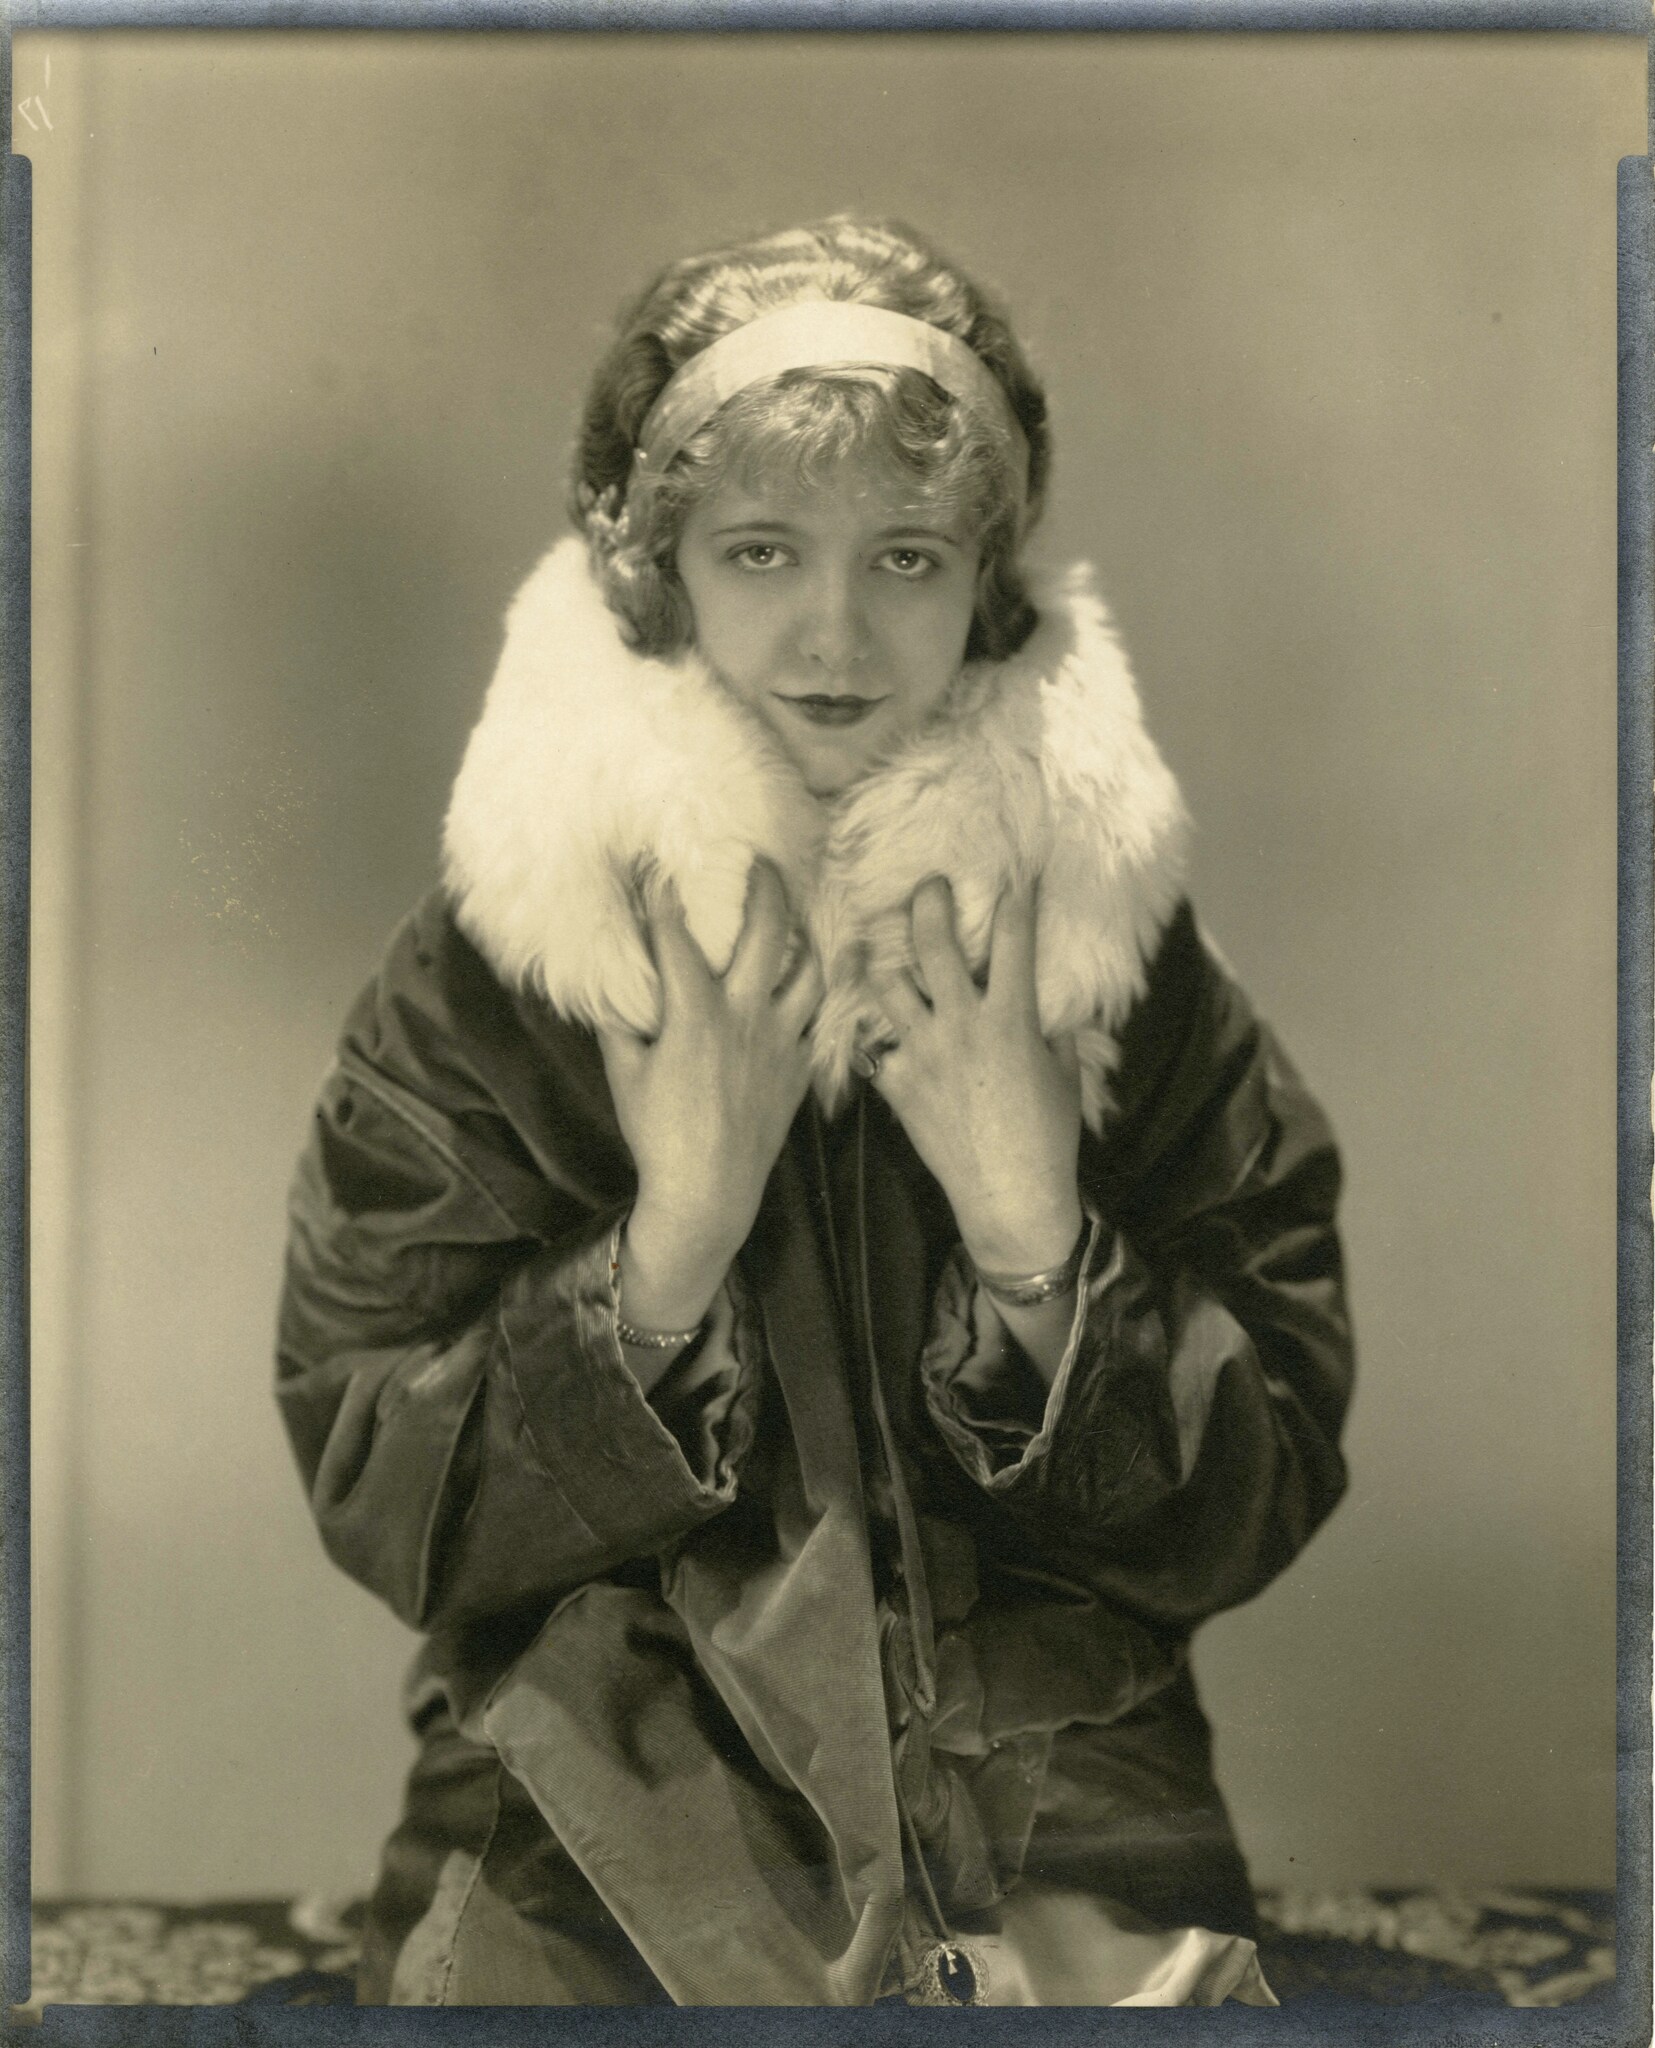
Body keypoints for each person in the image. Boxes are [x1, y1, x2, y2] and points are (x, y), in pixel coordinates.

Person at [276, 216, 1354, 2008]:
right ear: (655, 575)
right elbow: (383, 1480)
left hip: (1057, 1794)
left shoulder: (1102, 965)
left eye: (907, 556)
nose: (836, 631)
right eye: (761, 549)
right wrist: (672, 1241)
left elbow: (1268, 1469)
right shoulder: (504, 975)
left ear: (988, 588)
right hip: (594, 1807)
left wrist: (1033, 1235)